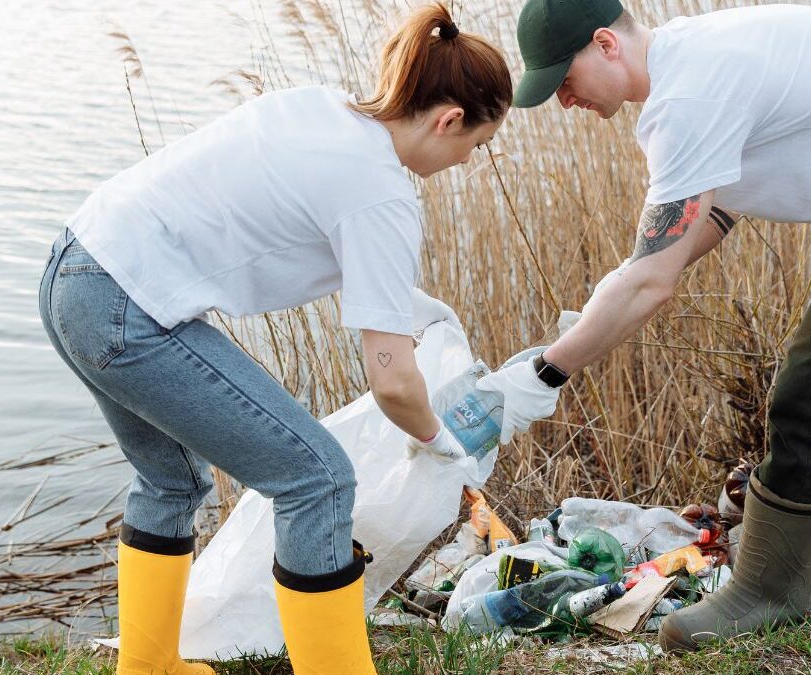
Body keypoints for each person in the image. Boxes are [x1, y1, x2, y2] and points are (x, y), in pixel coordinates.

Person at [38, 5, 517, 673]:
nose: (468, 160)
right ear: (448, 120)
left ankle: (149, 666)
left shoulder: (323, 110)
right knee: (317, 479)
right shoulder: (381, 194)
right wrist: (445, 446)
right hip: (127, 306)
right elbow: (392, 380)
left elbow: (337, 253)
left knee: (170, 480)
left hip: (75, 270)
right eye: (478, 143)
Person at [479, 0, 811, 653]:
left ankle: (768, 591)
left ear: (605, 44)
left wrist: (545, 371)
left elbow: (653, 279)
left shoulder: (686, 97)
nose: (564, 100)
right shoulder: (693, 61)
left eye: (565, 79)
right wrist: (610, 295)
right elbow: (702, 222)